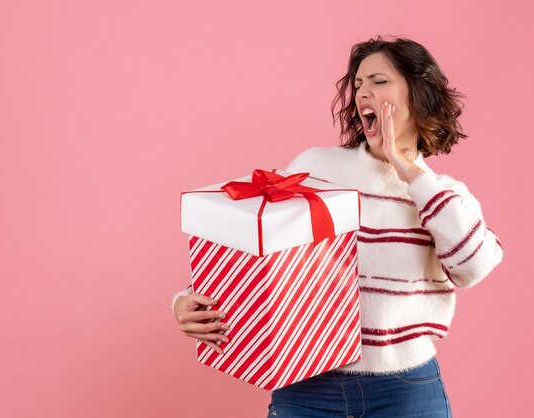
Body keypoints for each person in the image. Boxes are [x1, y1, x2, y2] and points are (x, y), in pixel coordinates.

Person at [171, 36, 504, 417]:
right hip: (306, 385)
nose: (363, 92)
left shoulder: (443, 194)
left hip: (405, 392)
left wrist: (406, 167)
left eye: (378, 81)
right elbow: (263, 254)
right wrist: (188, 300)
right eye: (358, 84)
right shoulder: (317, 169)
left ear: (418, 93)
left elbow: (472, 267)